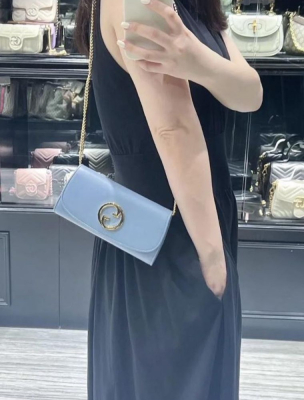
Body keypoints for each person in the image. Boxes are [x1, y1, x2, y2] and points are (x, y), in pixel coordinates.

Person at [75, 0, 263, 398]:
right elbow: (173, 129)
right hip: (168, 230)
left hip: (194, 210)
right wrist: (210, 254)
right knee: (175, 378)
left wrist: (196, 61)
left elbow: (251, 93)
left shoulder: (197, 5)